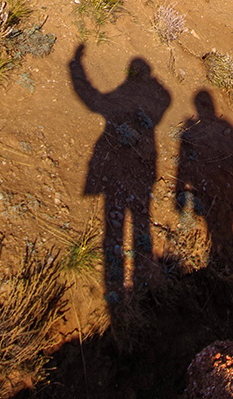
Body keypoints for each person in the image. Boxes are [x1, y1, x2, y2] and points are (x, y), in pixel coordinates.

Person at [69, 43, 171, 312]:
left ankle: (120, 289)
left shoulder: (118, 100)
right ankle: (143, 280)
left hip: (122, 168)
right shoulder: (155, 99)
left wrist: (75, 66)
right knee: (140, 220)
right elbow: (166, 99)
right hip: (144, 169)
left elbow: (91, 99)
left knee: (113, 226)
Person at [175, 90, 233, 265]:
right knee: (220, 219)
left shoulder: (193, 127)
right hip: (227, 185)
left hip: (213, 184)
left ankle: (216, 255)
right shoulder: (209, 126)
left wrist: (179, 189)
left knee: (216, 219)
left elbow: (181, 165)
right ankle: (218, 256)